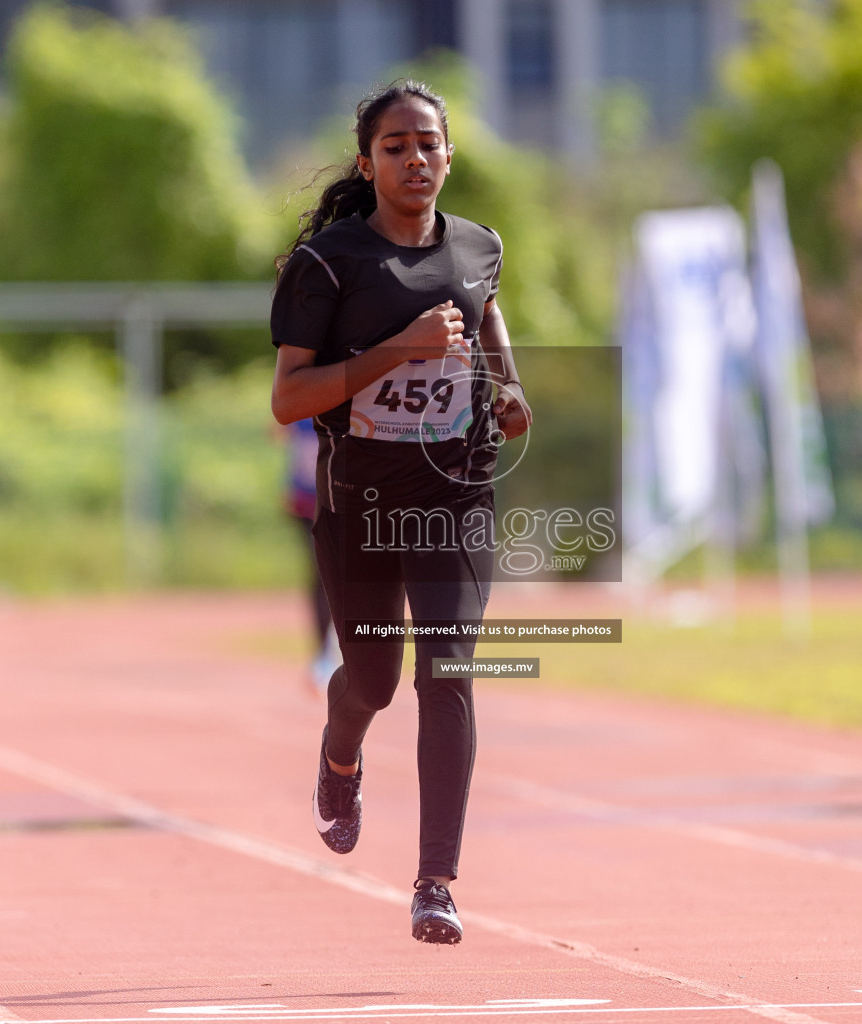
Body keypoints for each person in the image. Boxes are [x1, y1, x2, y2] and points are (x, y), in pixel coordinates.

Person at [269, 79, 531, 944]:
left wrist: (511, 391)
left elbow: (486, 317)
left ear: (449, 156)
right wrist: (397, 352)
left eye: (428, 145)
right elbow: (289, 398)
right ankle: (339, 758)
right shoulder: (328, 265)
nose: (415, 159)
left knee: (448, 671)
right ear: (367, 161)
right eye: (396, 146)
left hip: (455, 497)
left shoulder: (480, 247)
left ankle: (435, 883)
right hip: (363, 501)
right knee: (375, 681)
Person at [284, 416, 341, 694]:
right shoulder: (303, 408)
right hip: (308, 503)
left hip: (342, 503)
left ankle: (337, 648)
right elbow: (278, 429)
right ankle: (324, 653)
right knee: (320, 575)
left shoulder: (350, 402)